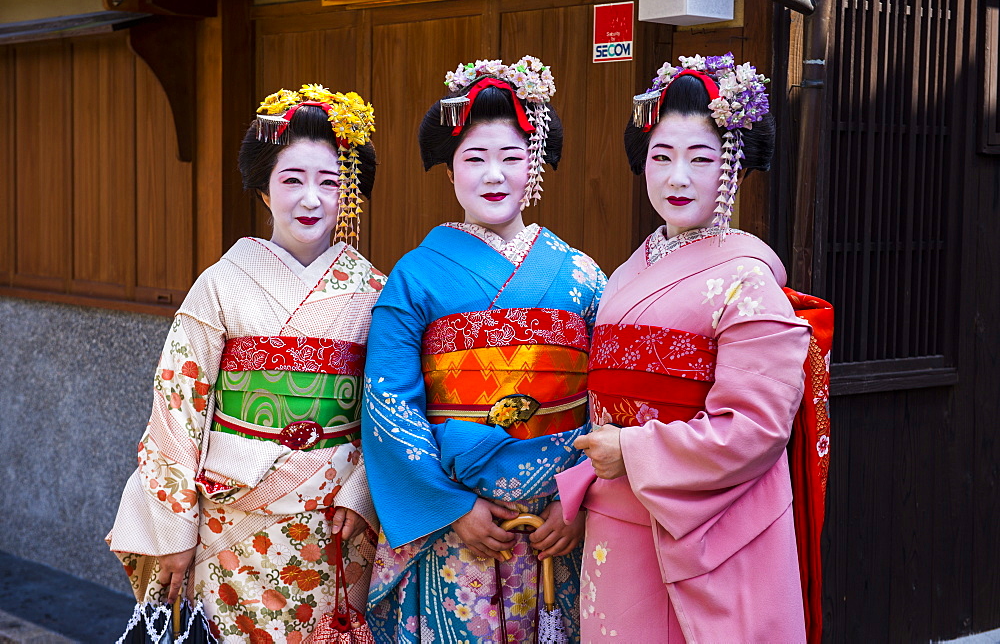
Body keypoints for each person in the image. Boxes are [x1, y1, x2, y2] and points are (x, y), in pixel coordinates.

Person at [107, 85, 384, 642]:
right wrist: (176, 526)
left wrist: (365, 493)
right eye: (292, 180)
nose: (311, 199)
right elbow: (178, 408)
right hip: (233, 514)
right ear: (263, 189)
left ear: (347, 192)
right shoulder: (222, 283)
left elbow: (392, 405)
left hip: (336, 518)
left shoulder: (374, 290)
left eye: (329, 183)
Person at [556, 53, 811, 642]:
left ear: (733, 168)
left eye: (702, 159)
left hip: (709, 523)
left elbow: (755, 427)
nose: (678, 178)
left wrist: (636, 453)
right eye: (662, 157)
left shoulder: (748, 280)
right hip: (617, 516)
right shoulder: (624, 274)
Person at [362, 56, 606, 643]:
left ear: (535, 166)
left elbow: (607, 398)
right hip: (457, 527)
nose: (494, 175)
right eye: (474, 158)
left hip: (556, 523)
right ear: (449, 173)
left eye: (512, 157)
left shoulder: (583, 277)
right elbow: (387, 398)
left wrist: (576, 500)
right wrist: (450, 506)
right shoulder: (415, 276)